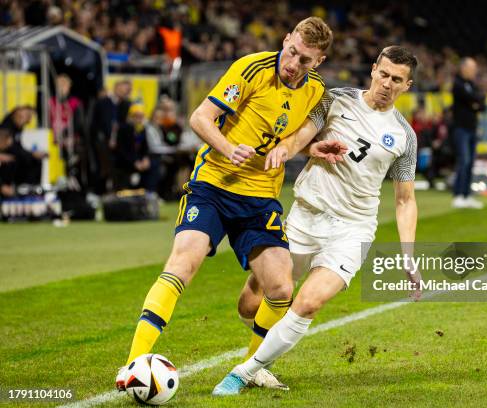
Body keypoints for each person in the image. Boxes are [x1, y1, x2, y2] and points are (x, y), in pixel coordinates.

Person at [115, 16, 334, 392]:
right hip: (213, 186)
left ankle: (252, 368)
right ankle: (133, 364)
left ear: (319, 63)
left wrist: (304, 148)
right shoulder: (250, 69)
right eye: (292, 51)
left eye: (305, 60)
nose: (293, 63)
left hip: (260, 198)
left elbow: (292, 133)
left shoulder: (315, 91)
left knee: (281, 287)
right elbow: (200, 118)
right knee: (183, 264)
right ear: (285, 40)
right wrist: (230, 148)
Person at [213, 45, 421, 395]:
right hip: (304, 218)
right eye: (383, 74)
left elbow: (405, 200)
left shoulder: (404, 137)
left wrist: (408, 254)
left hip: (352, 230)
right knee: (252, 301)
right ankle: (261, 349)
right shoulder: (335, 100)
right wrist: (288, 149)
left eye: (396, 79)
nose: (387, 83)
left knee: (307, 303)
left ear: (407, 86)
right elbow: (302, 136)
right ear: (373, 70)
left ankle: (245, 372)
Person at [451, 57, 486, 209]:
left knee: (471, 162)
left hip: (472, 128)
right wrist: (475, 103)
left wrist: (475, 103)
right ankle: (458, 195)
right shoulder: (457, 84)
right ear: (463, 68)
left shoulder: (471, 85)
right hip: (461, 128)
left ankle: (467, 195)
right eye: (472, 68)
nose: (474, 71)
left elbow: (482, 101)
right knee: (463, 161)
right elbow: (472, 99)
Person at [113, 104, 156, 192]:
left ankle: (150, 192)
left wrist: (145, 158)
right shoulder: (124, 129)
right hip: (125, 161)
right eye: (136, 116)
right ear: (130, 117)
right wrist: (134, 162)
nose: (139, 119)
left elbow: (145, 148)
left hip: (138, 160)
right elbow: (122, 151)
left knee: (154, 164)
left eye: (141, 116)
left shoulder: (142, 130)